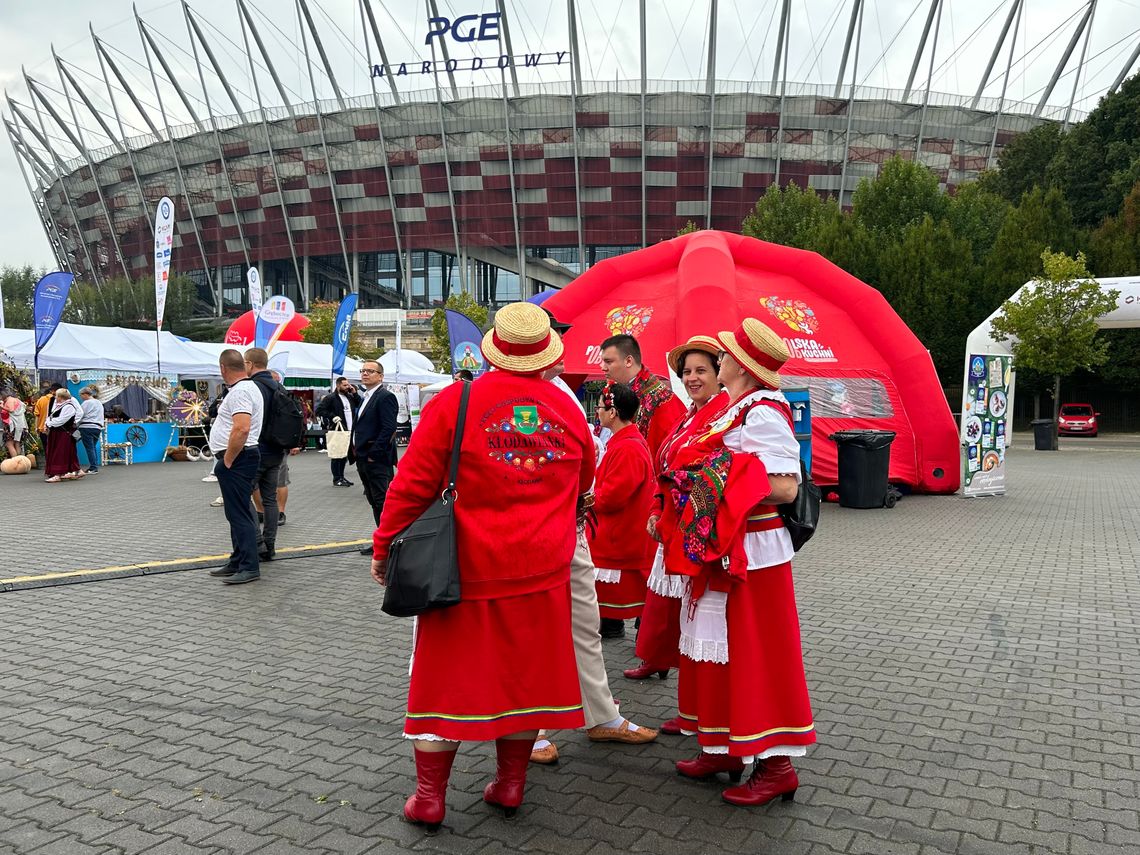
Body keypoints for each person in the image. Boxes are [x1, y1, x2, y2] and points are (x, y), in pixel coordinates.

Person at [371, 302, 595, 830]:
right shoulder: (568, 411)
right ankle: (510, 785)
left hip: (464, 569)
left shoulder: (457, 402)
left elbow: (411, 486)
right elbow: (585, 485)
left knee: (442, 683)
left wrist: (384, 547)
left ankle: (430, 796)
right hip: (540, 571)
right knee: (524, 684)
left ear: (495, 349)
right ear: (545, 355)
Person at [662, 318, 815, 806]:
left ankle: (776, 767)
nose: (718, 357)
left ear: (740, 366)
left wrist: (709, 480)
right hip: (726, 547)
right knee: (719, 650)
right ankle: (721, 745)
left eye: (725, 353)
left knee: (755, 651)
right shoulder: (736, 409)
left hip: (753, 550)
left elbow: (784, 486)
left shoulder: (763, 413)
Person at [530, 344, 658, 766]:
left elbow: (592, 472)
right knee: (542, 632)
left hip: (572, 533)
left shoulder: (562, 399)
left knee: (584, 628)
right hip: (531, 538)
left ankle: (597, 712)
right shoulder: (484, 399)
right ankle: (531, 727)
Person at [628, 336, 725, 738]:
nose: (692, 378)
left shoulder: (722, 414)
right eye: (686, 372)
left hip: (699, 537)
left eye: (701, 370)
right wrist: (656, 510)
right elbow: (665, 468)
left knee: (700, 629)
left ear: (720, 374)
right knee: (686, 626)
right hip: (674, 530)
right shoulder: (691, 413)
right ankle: (691, 713)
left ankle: (704, 717)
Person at [597, 333, 686, 638]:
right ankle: (612, 618)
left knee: (643, 563)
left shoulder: (661, 398)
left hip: (644, 494)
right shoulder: (612, 392)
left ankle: (648, 630)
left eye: (609, 361)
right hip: (618, 480)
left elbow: (672, 450)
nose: (603, 367)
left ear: (629, 360)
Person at [590, 382, 655, 624]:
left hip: (619, 536)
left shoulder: (627, 447)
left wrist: (585, 497)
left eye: (599, 407)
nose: (597, 412)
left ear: (613, 412)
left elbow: (611, 497)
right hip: (618, 533)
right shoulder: (625, 442)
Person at [207, 349, 264, 585]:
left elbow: (241, 428)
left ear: (223, 368)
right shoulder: (246, 389)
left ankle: (249, 566)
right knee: (236, 512)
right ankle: (239, 559)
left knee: (239, 514)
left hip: (238, 458)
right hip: (241, 457)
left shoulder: (241, 391)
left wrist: (228, 460)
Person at [353, 360, 398, 554]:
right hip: (363, 457)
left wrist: (374, 453)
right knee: (373, 500)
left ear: (380, 376)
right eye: (363, 371)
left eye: (370, 371)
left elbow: (389, 428)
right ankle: (381, 541)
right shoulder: (366, 397)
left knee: (382, 502)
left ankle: (388, 544)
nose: (365, 374)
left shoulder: (385, 396)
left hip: (376, 459)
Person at [244, 348, 284, 562]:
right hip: (276, 450)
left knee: (243, 496)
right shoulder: (279, 386)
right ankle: (270, 545)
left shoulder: (252, 387)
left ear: (250, 364)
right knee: (270, 499)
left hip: (255, 448)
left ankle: (257, 543)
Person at [316, 376, 360, 486]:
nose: (347, 387)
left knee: (344, 455)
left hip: (349, 430)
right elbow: (320, 410)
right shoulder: (331, 398)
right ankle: (337, 478)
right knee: (337, 455)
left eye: (348, 385)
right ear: (338, 385)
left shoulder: (349, 397)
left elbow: (360, 404)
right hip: (338, 430)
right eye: (345, 385)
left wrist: (354, 393)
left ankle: (342, 477)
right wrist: (332, 416)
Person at [44, 388, 84, 483]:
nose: (55, 397)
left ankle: (58, 474)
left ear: (61, 397)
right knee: (67, 453)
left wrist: (49, 422)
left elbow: (61, 420)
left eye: (56, 396)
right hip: (57, 433)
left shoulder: (69, 406)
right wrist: (48, 422)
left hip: (63, 433)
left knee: (60, 453)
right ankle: (77, 471)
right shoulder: (59, 406)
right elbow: (51, 417)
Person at [77, 386, 105, 474]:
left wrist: (76, 424)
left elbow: (80, 414)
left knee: (89, 448)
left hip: (86, 427)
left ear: (85, 394)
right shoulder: (99, 403)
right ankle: (94, 466)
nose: (80, 397)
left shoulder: (86, 403)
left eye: (81, 395)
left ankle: (93, 468)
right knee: (92, 447)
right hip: (97, 427)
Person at [2, 393, 29, 460]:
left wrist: (1, 406)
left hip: (12, 425)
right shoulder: (17, 400)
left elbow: (11, 410)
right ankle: (20, 463)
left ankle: (16, 463)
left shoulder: (9, 400)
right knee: (17, 443)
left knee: (9, 444)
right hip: (20, 425)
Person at [34, 383, 60, 454]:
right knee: (56, 448)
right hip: (56, 427)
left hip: (43, 428)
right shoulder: (58, 399)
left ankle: (48, 463)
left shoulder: (40, 400)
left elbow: (37, 415)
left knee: (46, 447)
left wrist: (36, 428)